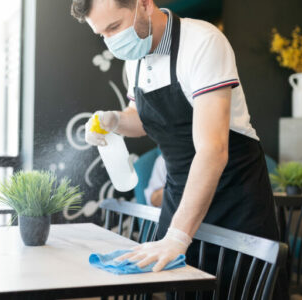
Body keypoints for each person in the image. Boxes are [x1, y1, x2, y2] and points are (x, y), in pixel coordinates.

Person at [72, 0, 284, 297]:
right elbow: (144, 120)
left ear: (144, 4)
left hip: (235, 200)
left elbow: (212, 150)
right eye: (102, 35)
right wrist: (116, 120)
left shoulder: (203, 42)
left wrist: (177, 236)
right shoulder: (134, 58)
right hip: (180, 195)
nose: (111, 41)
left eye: (115, 27)